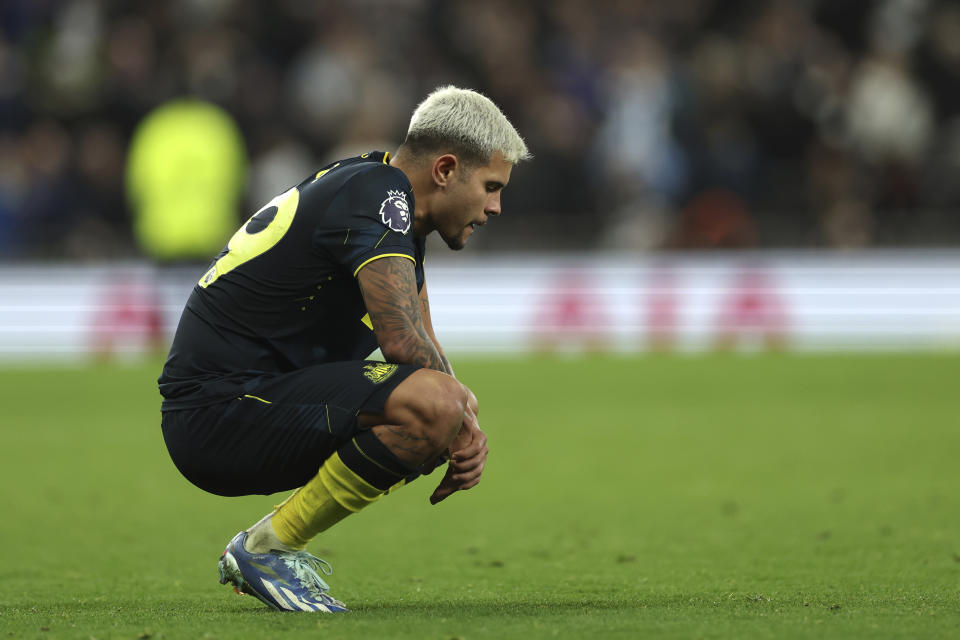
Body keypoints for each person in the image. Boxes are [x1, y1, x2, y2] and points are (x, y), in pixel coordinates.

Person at [158, 86, 531, 612]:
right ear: (446, 169)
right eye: (491, 186)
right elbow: (401, 342)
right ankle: (267, 549)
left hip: (247, 402)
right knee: (432, 407)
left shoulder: (383, 196)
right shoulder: (378, 196)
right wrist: (458, 419)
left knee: (438, 407)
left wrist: (463, 418)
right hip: (220, 409)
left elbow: (423, 339)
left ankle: (267, 547)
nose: (495, 207)